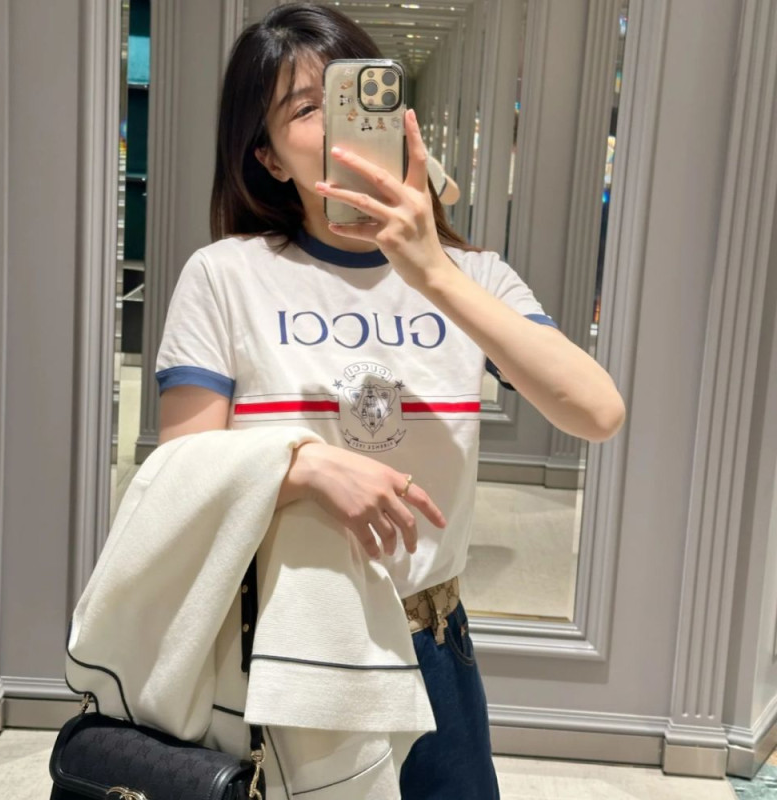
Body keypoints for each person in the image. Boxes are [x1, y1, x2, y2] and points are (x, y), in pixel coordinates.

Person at [155, 3, 626, 798]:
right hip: (285, 644)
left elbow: (596, 412)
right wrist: (302, 469)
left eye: (359, 96)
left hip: (431, 639)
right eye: (307, 108)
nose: (346, 124)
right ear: (268, 157)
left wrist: (433, 270)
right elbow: (182, 475)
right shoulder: (226, 276)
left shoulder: (474, 278)